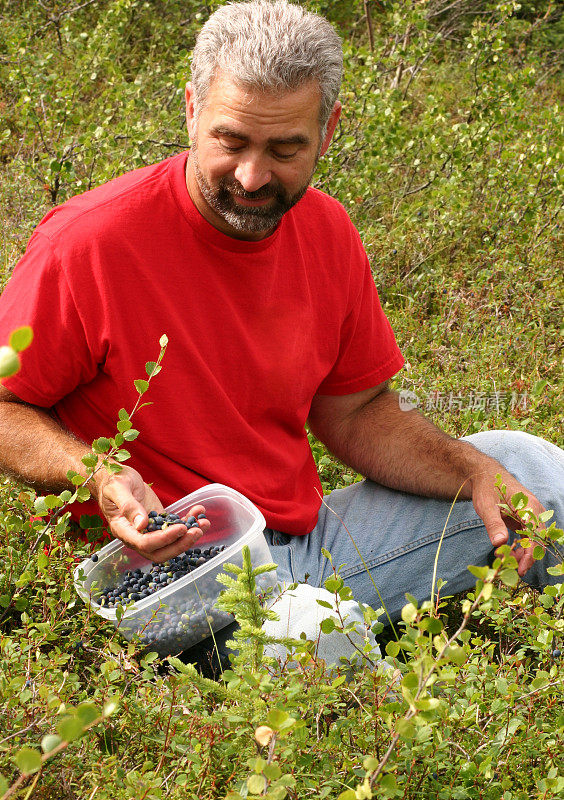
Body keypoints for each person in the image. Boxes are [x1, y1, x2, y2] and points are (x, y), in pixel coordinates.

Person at [0, 1, 562, 665]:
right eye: (230, 141)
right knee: (318, 638)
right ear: (190, 110)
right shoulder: (90, 244)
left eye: (285, 149)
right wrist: (98, 474)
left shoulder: (326, 233)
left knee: (527, 469)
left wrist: (467, 469)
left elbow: (356, 415)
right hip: (168, 582)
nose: (251, 177)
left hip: (306, 543)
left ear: (327, 133)